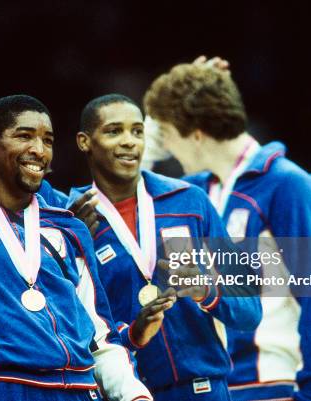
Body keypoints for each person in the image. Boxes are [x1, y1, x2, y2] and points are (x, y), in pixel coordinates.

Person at [143, 63, 311, 401]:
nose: (167, 151)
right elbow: (119, 204)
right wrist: (148, 142)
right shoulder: (192, 193)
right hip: (211, 387)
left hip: (275, 386)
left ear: (195, 133)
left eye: (165, 136)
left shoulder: (285, 184)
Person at [0, 95, 152, 401]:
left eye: (47, 140)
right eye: (24, 136)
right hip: (5, 387)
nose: (39, 150)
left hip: (79, 390)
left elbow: (100, 336)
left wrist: (133, 393)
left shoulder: (68, 226)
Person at [68, 93, 262, 401]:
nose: (129, 141)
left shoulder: (190, 202)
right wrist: (132, 335)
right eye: (114, 131)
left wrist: (206, 291)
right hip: (127, 393)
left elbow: (250, 311)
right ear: (84, 141)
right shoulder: (71, 217)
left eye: (137, 130)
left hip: (205, 389)